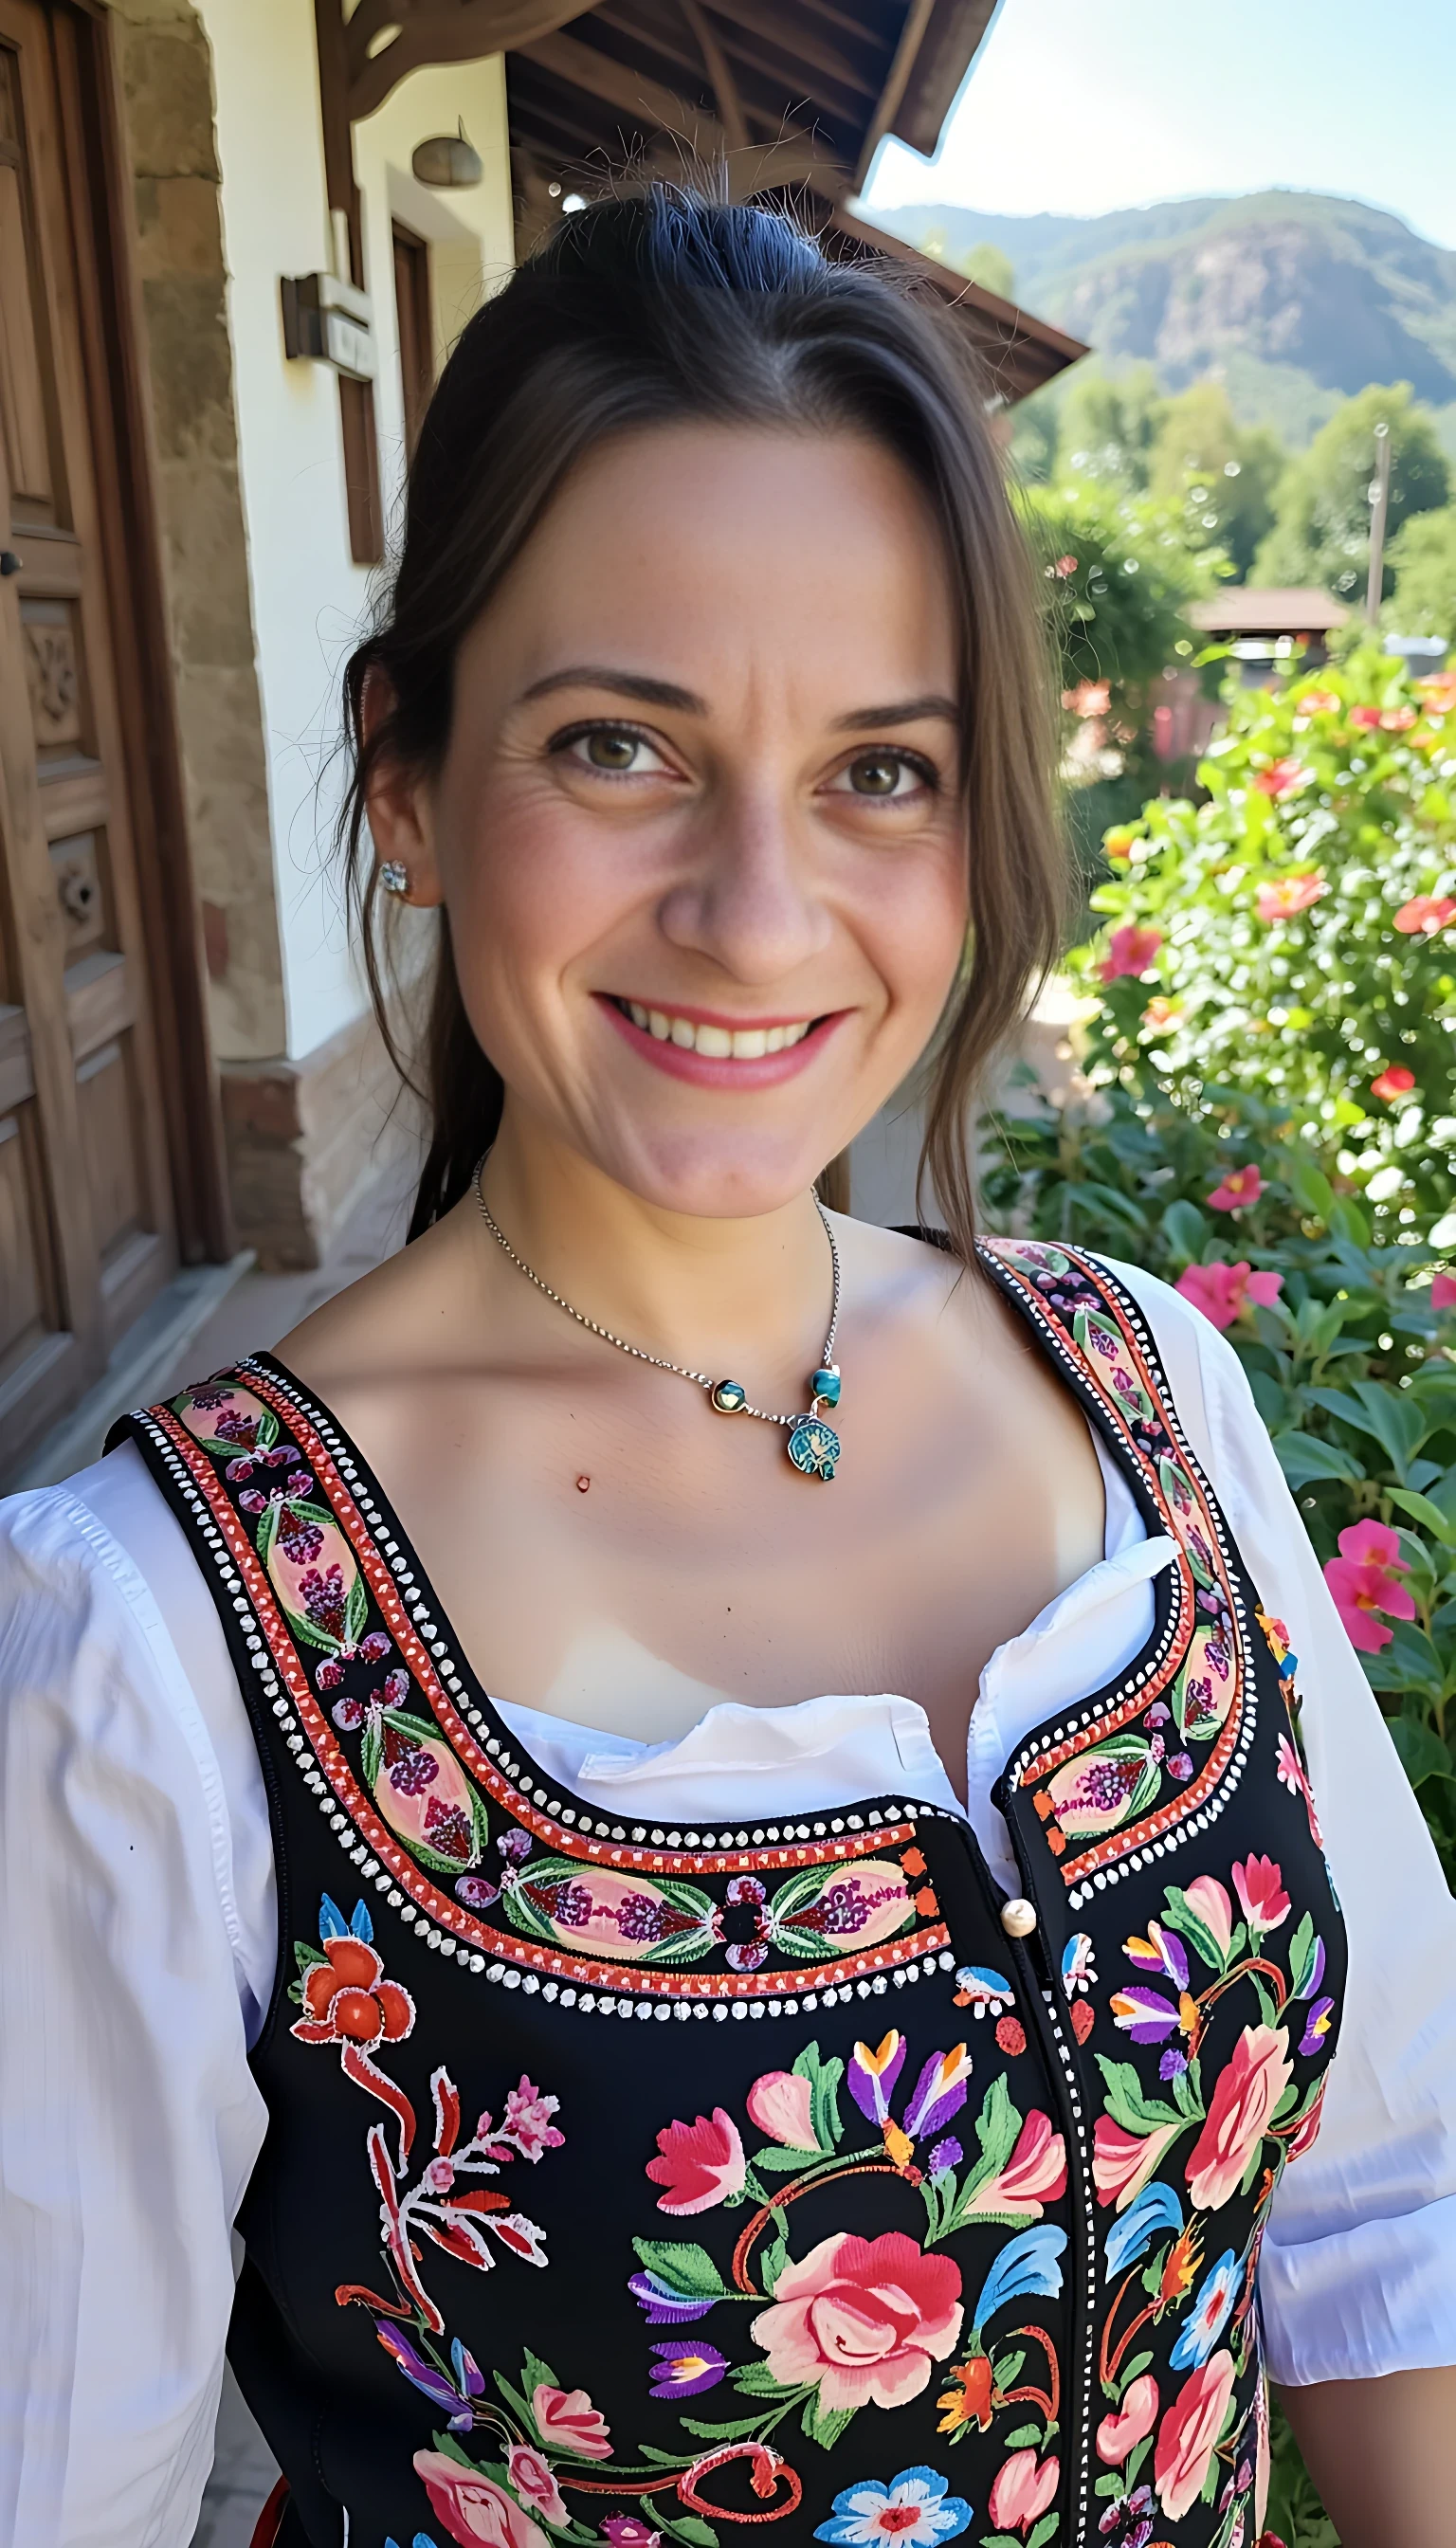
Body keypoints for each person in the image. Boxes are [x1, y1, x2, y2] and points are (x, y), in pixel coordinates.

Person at [1, 190, 1452, 2548]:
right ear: (407, 778)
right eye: (616, 746)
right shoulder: (142, 1652)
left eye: (880, 770)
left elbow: (1393, 2192)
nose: (760, 916)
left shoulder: (1146, 1396)